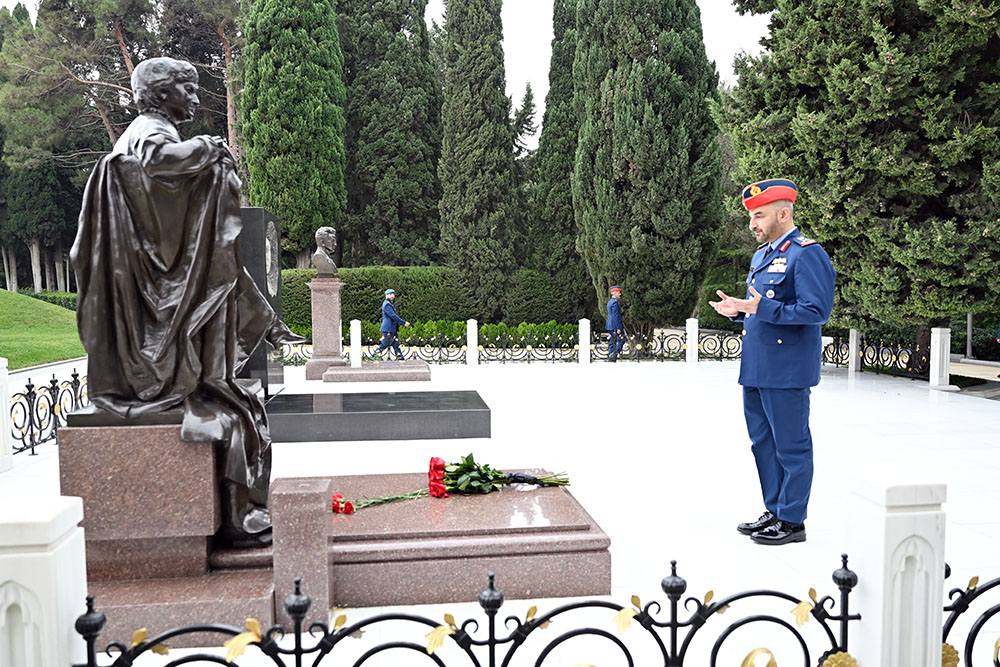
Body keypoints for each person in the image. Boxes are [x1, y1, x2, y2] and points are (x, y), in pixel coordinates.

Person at [71, 57, 301, 546]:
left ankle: (241, 507)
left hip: (159, 291)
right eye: (187, 89)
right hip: (158, 298)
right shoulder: (148, 133)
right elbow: (158, 167)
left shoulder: (149, 130)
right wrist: (208, 149)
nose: (196, 99)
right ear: (159, 94)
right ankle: (242, 514)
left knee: (234, 396)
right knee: (231, 403)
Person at [709, 179, 836, 546]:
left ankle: (792, 520)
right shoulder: (762, 255)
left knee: (791, 446)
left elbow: (817, 310)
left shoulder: (806, 253)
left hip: (787, 368)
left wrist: (763, 307)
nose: (753, 223)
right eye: (751, 216)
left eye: (759, 215)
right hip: (757, 366)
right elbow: (760, 309)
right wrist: (739, 311)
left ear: (784, 213)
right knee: (762, 443)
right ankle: (775, 509)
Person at [376, 288, 410, 360]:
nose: (392, 296)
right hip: (388, 328)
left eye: (393, 294)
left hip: (392, 328)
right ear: (386, 295)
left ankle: (401, 359)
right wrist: (403, 323)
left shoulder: (390, 303)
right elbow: (393, 316)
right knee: (384, 344)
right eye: (390, 294)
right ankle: (373, 356)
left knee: (396, 344)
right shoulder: (387, 304)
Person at [605, 286, 625, 362]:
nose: (620, 294)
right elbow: (616, 317)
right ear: (615, 293)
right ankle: (614, 354)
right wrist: (619, 328)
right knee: (622, 340)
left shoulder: (610, 301)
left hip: (610, 325)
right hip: (615, 326)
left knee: (612, 341)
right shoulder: (615, 303)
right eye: (619, 293)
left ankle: (611, 356)